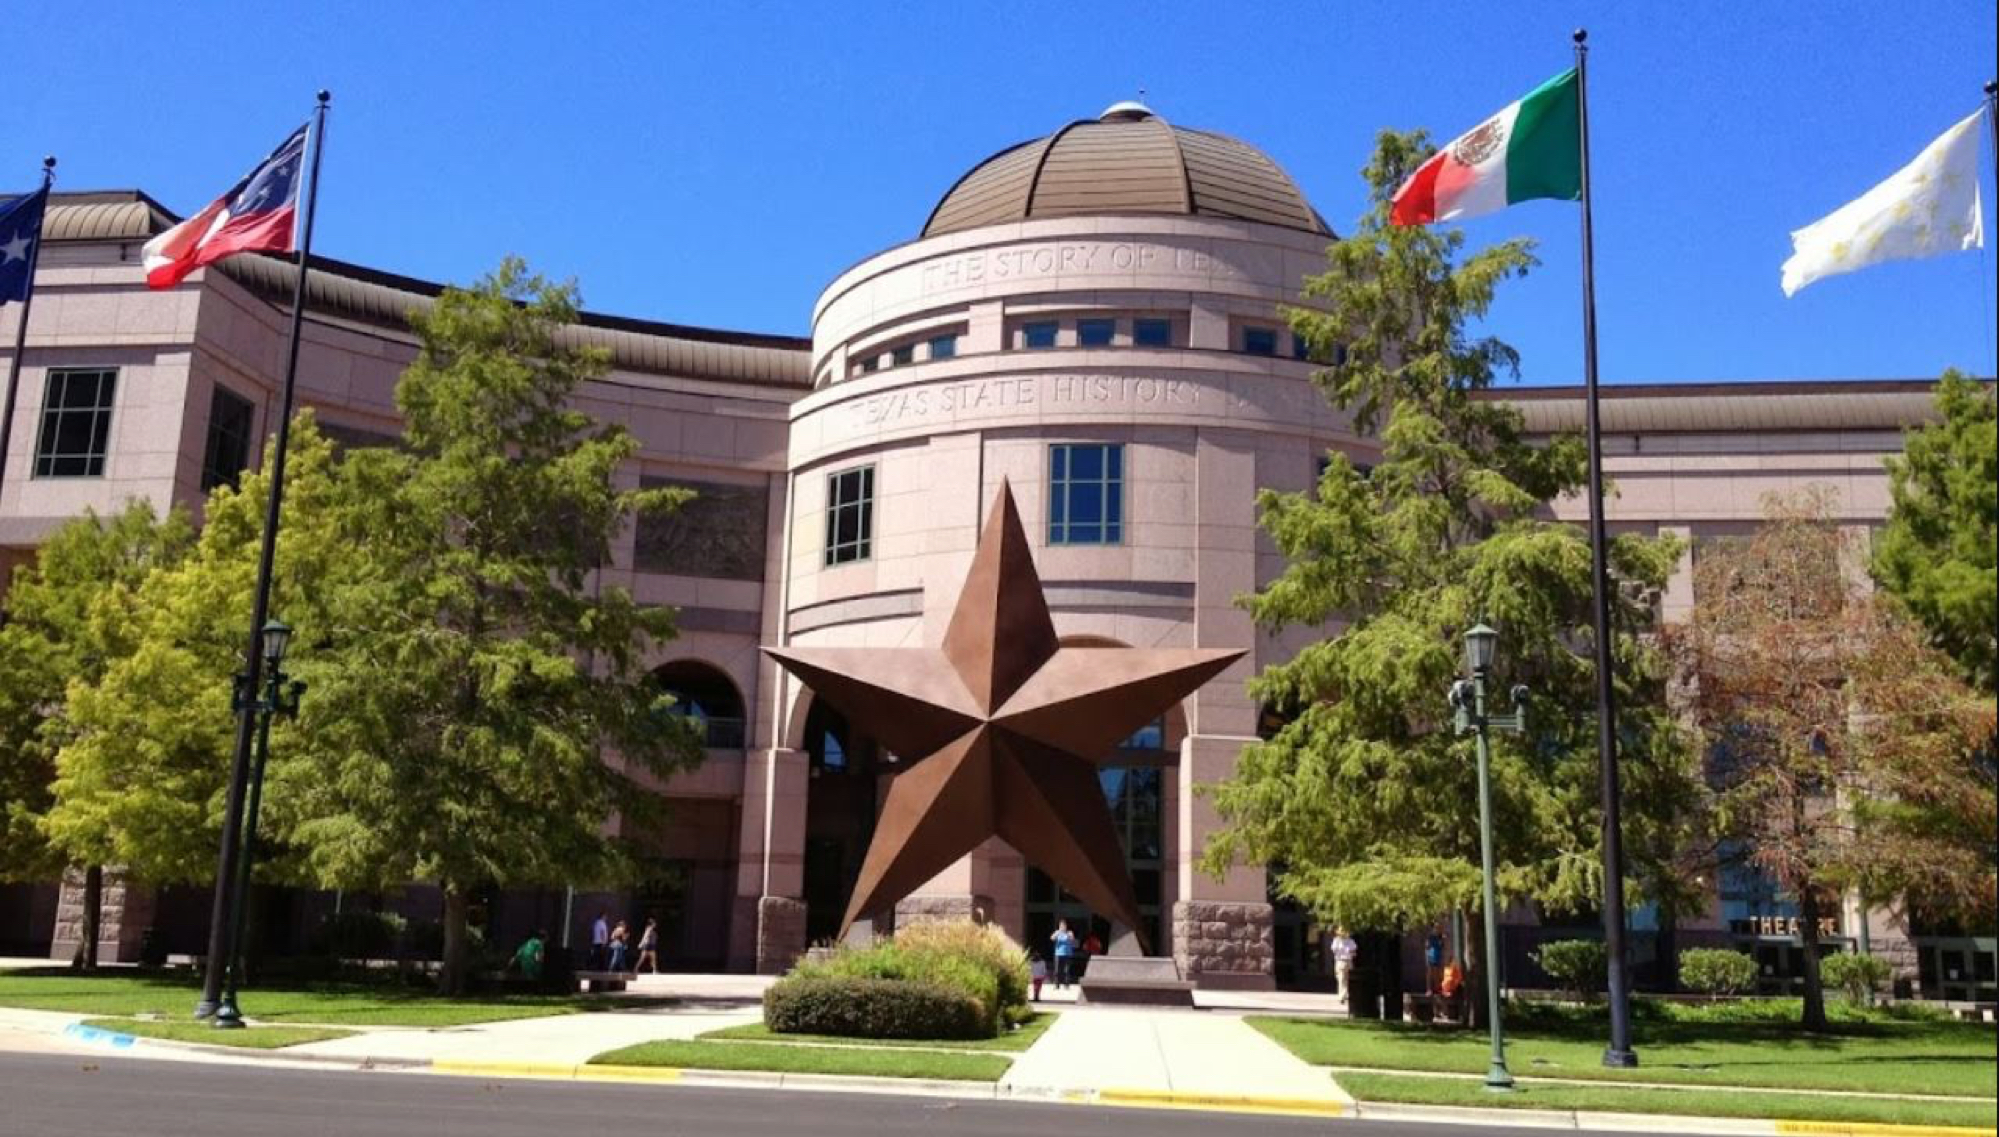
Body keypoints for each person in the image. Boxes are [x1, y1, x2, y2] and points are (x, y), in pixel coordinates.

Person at [1329, 926, 1359, 1008]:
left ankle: (1344, 995)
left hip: (1348, 961)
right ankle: (1343, 995)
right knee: (1341, 978)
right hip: (1340, 961)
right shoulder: (1336, 941)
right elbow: (1334, 950)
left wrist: (1351, 953)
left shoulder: (1351, 941)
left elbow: (1354, 951)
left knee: (1347, 979)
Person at [1050, 920, 1078, 988]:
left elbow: (1072, 939)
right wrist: (1058, 933)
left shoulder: (1069, 932)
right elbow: (1052, 938)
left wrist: (1068, 935)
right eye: (1061, 926)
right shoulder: (1057, 932)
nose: (1062, 927)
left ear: (1066, 926)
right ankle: (1057, 984)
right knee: (1057, 970)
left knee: (1066, 970)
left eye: (1063, 926)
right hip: (1058, 954)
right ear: (1059, 926)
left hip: (1067, 954)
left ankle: (1066, 985)